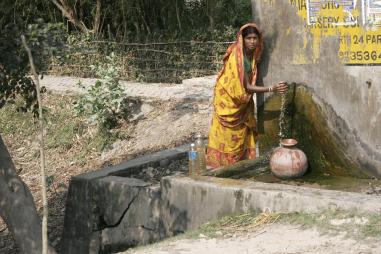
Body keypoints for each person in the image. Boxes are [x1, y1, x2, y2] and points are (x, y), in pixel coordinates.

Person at [206, 23, 287, 169]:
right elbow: (246, 87)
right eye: (249, 38)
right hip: (228, 100)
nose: (252, 41)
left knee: (242, 131)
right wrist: (272, 88)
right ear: (242, 39)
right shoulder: (238, 58)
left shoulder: (253, 54)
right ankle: (223, 166)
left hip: (242, 101)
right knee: (227, 135)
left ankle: (240, 164)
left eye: (255, 38)